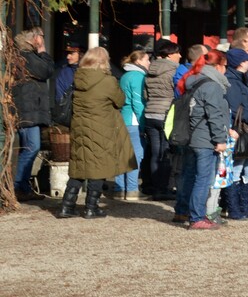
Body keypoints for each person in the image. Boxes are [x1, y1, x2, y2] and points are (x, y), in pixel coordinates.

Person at [57, 47, 137, 219]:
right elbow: (120, 100)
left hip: (79, 128)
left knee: (80, 165)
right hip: (101, 128)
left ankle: (66, 206)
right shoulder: (107, 81)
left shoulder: (77, 78)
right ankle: (91, 207)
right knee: (98, 167)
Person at [172, 50, 233, 230]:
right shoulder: (212, 86)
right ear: (218, 66)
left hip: (191, 136)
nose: (226, 70)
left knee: (189, 175)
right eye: (225, 66)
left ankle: (182, 210)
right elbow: (214, 115)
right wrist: (220, 139)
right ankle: (197, 217)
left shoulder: (193, 81)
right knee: (203, 178)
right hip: (205, 138)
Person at [223, 48, 248, 220]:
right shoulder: (232, 81)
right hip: (240, 129)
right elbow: (235, 108)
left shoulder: (245, 78)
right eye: (247, 60)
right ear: (240, 62)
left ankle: (246, 205)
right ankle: (234, 208)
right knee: (236, 168)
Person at [14, 29, 55, 201]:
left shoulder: (25, 56)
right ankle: (18, 186)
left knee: (29, 148)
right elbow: (46, 71)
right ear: (34, 40)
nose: (43, 40)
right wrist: (43, 50)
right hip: (28, 109)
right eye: (41, 37)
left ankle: (23, 186)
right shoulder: (26, 56)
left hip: (29, 109)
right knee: (32, 147)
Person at [142, 39, 179, 199]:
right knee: (165, 153)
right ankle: (163, 189)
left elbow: (145, 94)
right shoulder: (174, 71)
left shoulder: (149, 71)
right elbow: (177, 92)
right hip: (165, 113)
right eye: (177, 52)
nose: (179, 55)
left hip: (150, 113)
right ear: (170, 55)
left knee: (155, 153)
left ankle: (156, 187)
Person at [115, 49, 147, 199]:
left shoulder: (125, 75)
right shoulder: (137, 77)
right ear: (138, 61)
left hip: (123, 119)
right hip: (134, 120)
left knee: (122, 154)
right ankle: (132, 189)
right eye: (147, 59)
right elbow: (138, 102)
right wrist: (143, 123)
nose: (149, 63)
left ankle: (119, 188)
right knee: (135, 155)